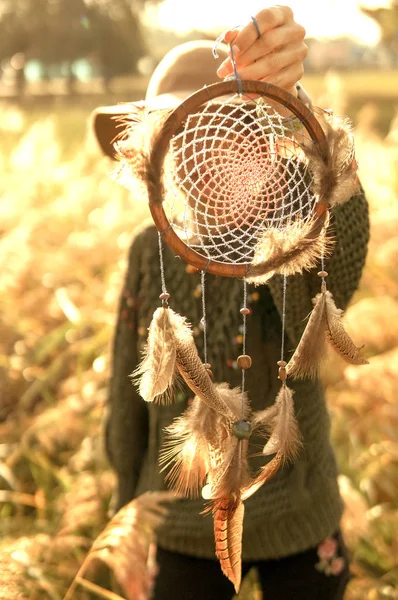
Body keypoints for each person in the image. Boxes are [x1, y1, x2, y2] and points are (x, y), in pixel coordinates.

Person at [92, 6, 369, 600]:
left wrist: (292, 100)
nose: (198, 159)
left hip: (299, 515)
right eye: (178, 143)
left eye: (218, 135)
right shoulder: (150, 251)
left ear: (256, 143)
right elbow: (127, 390)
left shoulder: (287, 234)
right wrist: (128, 516)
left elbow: (333, 282)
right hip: (179, 524)